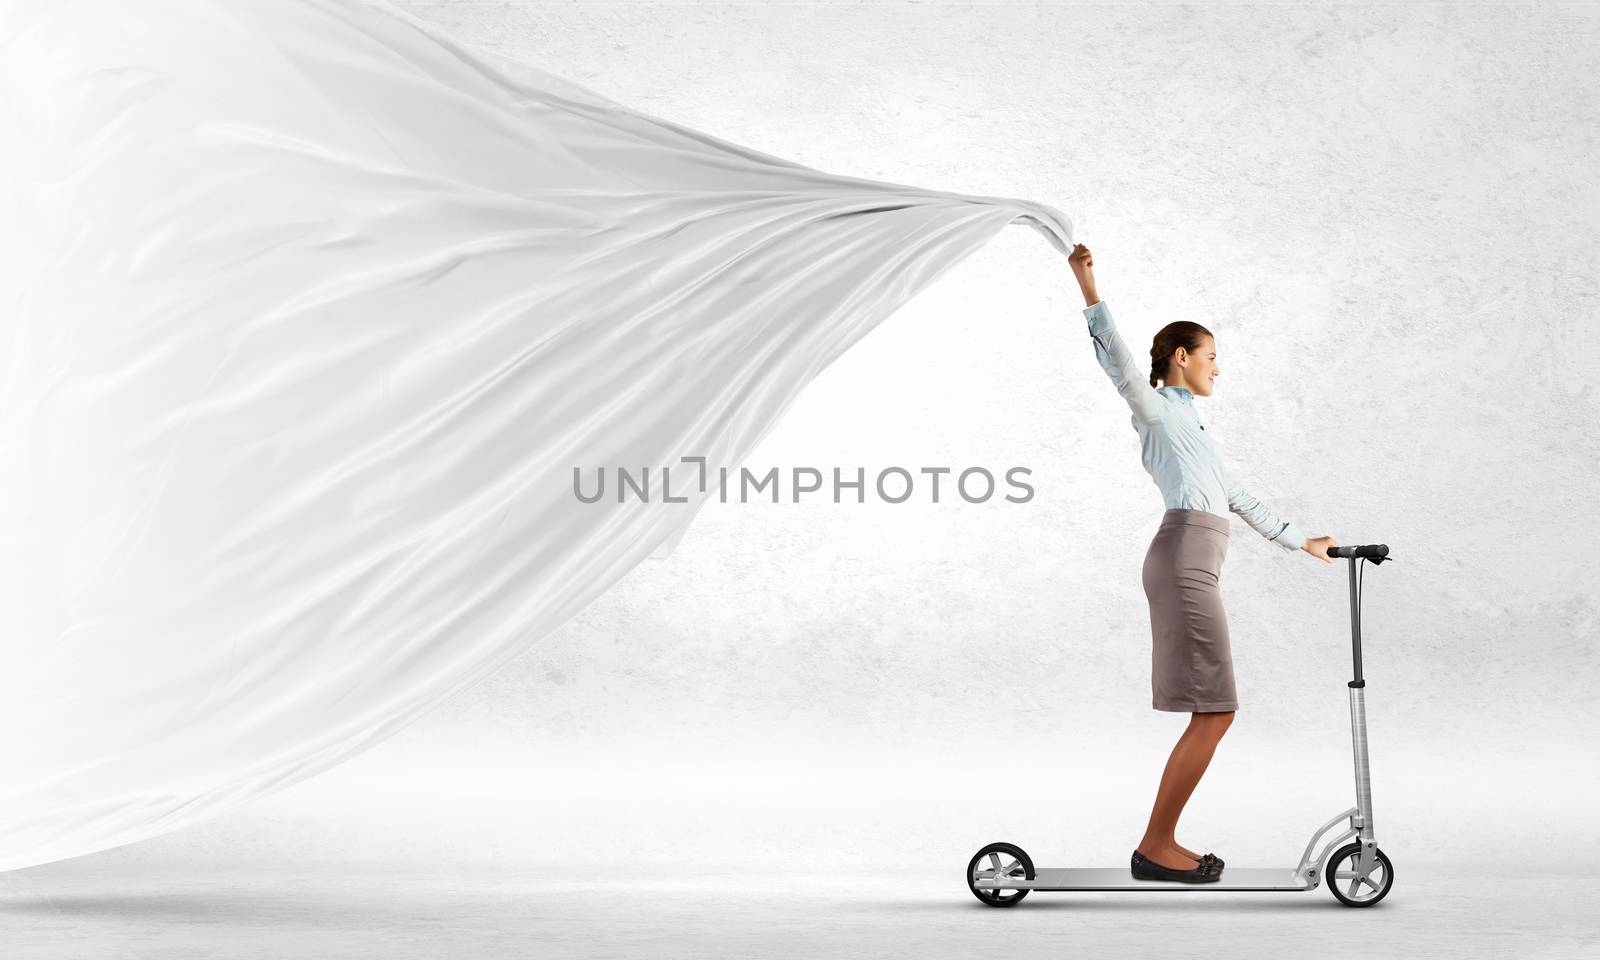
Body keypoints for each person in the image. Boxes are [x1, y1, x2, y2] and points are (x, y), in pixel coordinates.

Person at [1067, 243, 1340, 884]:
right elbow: (1123, 370)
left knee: (1215, 708)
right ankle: (1156, 846)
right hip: (1184, 558)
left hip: (1197, 559)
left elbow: (1235, 496)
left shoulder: (1193, 423)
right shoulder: (1158, 408)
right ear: (1182, 358)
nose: (1219, 367)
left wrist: (1302, 541)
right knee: (1216, 709)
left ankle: (1159, 842)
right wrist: (1089, 288)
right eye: (1211, 356)